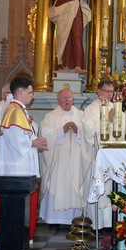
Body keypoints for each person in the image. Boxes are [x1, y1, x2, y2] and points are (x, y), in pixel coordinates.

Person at [0, 75, 48, 248]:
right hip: (16, 169)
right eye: (30, 92)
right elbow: (15, 140)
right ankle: (12, 239)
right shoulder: (14, 110)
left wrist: (32, 136)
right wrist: (33, 142)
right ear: (21, 92)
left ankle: (19, 238)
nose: (32, 96)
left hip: (21, 167)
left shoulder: (18, 109)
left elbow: (22, 133)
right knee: (15, 206)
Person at [39, 88, 89, 228]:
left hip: (76, 160)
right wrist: (62, 131)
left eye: (69, 98)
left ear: (73, 100)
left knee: (76, 185)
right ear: (58, 100)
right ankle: (54, 220)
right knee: (57, 184)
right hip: (58, 161)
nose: (67, 101)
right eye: (63, 98)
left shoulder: (81, 115)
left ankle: (77, 218)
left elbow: (89, 133)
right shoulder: (51, 116)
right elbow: (45, 134)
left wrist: (78, 130)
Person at [81, 80, 116, 229]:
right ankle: (97, 224)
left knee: (110, 188)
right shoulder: (91, 109)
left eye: (111, 92)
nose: (109, 95)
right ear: (98, 91)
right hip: (96, 156)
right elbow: (89, 131)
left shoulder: (113, 107)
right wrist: (107, 120)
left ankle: (110, 222)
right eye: (107, 91)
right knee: (99, 187)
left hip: (112, 154)